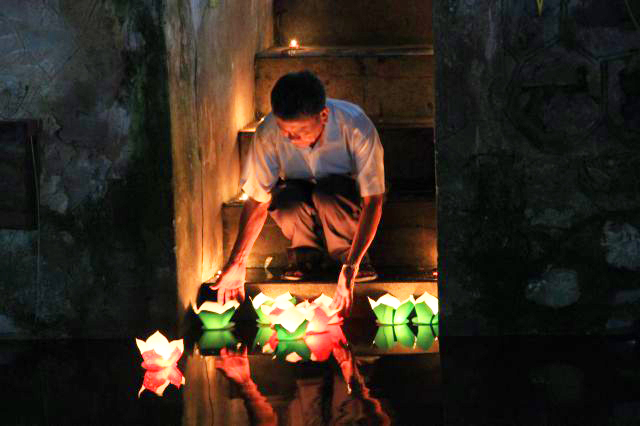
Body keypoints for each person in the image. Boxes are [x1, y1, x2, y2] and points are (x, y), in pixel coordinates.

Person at [212, 70, 385, 316]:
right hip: (297, 191)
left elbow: (373, 200)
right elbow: (257, 200)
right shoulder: (268, 131)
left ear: (323, 115)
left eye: (300, 131)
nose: (291, 138)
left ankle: (347, 253)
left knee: (328, 194)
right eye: (285, 130)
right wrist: (237, 261)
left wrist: (351, 265)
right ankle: (306, 255)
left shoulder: (355, 125)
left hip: (342, 197)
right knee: (286, 200)